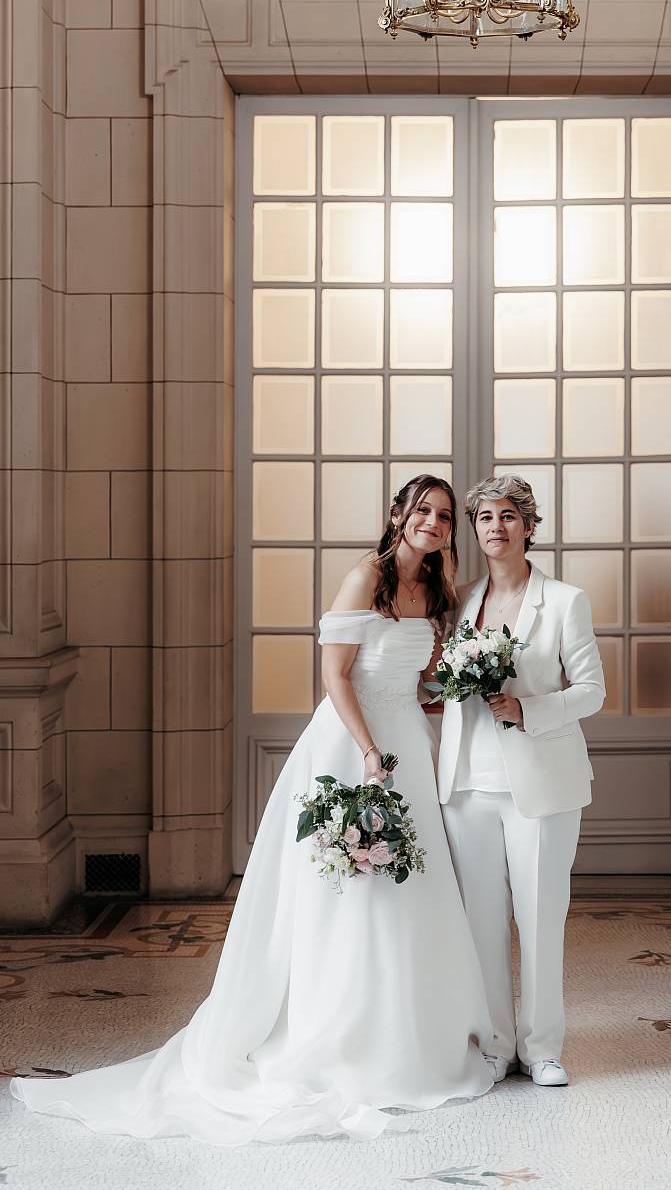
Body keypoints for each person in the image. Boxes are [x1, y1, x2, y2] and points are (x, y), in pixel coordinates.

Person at [12, 475, 493, 1144]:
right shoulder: (366, 578)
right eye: (424, 511)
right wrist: (368, 752)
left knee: (410, 892)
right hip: (352, 745)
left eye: (444, 517)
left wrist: (470, 675)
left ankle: (409, 1037)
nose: (435, 524)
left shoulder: (438, 591)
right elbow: (334, 675)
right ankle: (338, 1037)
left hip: (409, 741)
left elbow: (424, 679)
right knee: (347, 892)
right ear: (397, 515)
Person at [438, 474, 605, 1088]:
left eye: (508, 516)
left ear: (529, 526)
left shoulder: (565, 601)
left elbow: (592, 691)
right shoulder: (459, 601)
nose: (496, 528)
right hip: (467, 784)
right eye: (485, 518)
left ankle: (541, 1048)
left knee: (540, 920)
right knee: (481, 922)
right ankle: (494, 1044)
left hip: (542, 784)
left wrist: (528, 709)